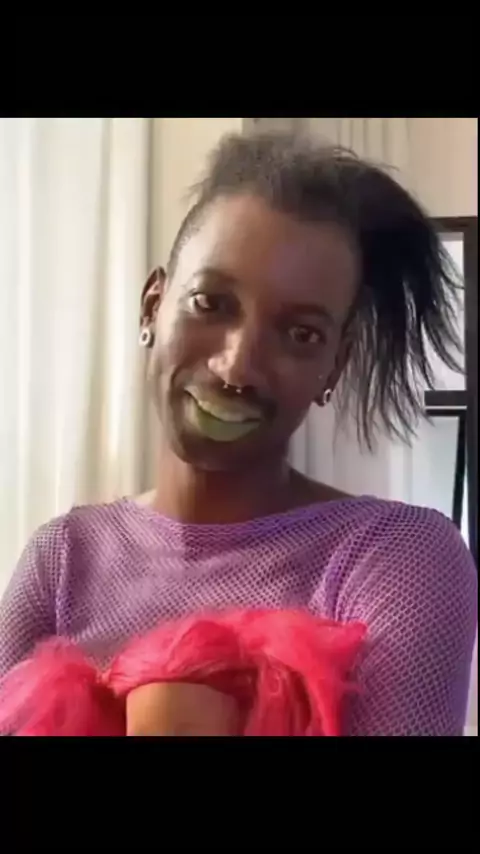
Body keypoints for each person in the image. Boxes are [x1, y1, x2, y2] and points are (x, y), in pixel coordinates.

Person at [0, 130, 476, 736]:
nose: (237, 367)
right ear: (152, 307)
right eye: (210, 303)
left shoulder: (394, 559)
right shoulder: (63, 560)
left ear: (334, 365)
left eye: (300, 334)